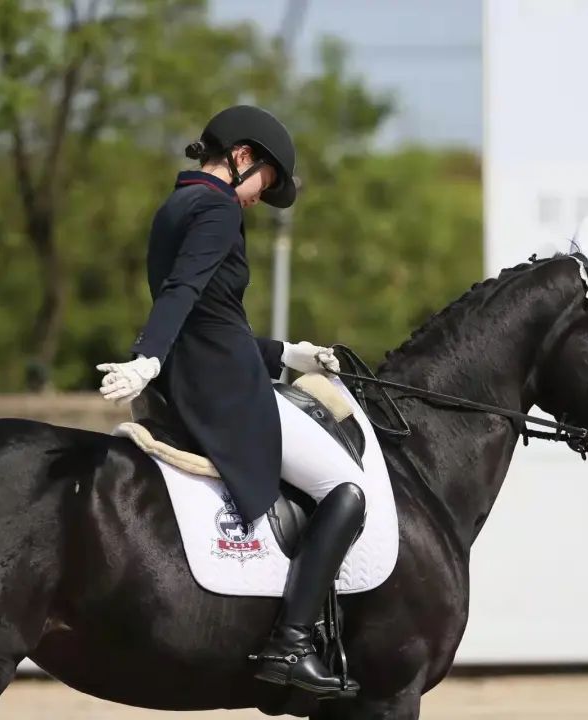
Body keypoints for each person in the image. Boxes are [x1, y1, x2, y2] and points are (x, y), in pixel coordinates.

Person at [96, 105, 366, 697]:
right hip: (225, 395)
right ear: (243, 157)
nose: (256, 199)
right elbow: (183, 292)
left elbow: (212, 319)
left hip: (206, 377)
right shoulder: (217, 207)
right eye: (264, 184)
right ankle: (290, 645)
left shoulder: (176, 205)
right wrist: (148, 356)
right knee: (346, 492)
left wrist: (288, 355)